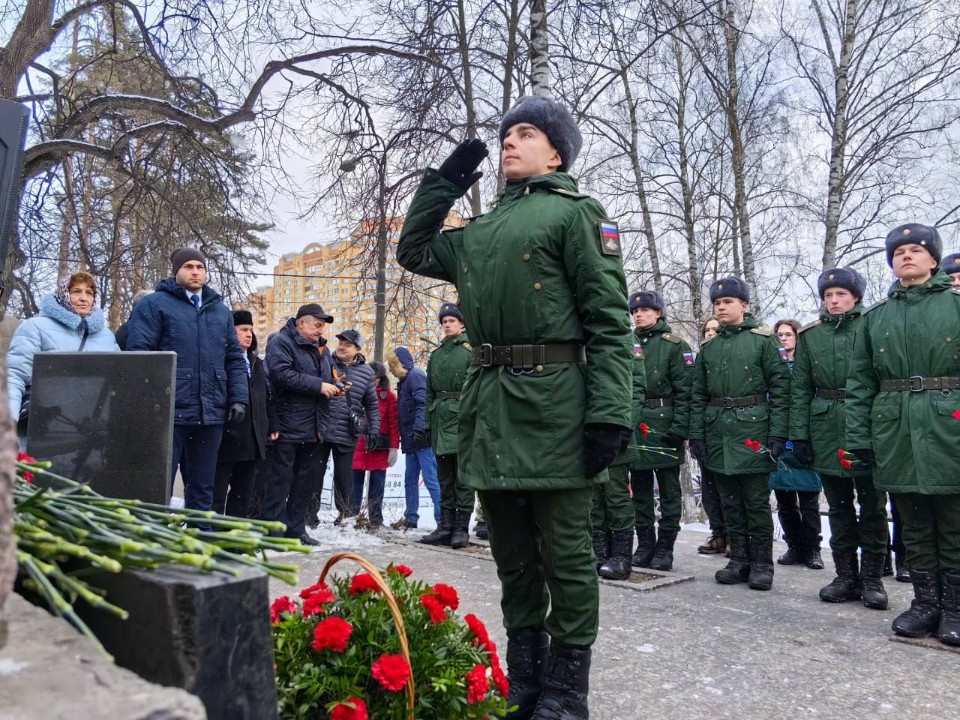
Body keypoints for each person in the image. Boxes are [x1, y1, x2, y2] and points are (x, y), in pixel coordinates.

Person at [397, 95, 632, 719]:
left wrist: (610, 412)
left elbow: (609, 324)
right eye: (506, 134)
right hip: (492, 407)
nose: (509, 142)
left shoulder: (576, 215)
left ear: (556, 152)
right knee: (513, 556)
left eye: (525, 134)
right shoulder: (480, 231)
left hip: (557, 404)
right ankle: (525, 680)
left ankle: (567, 690)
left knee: (567, 553)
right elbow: (414, 250)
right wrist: (445, 182)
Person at [846, 224, 960, 646]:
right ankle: (925, 604)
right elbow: (860, 384)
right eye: (899, 252)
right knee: (912, 520)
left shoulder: (956, 306)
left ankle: (955, 608)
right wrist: (859, 439)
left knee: (953, 521)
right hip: (894, 428)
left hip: (949, 425)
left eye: (916, 250)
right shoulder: (876, 318)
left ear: (934, 260)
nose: (907, 256)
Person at [789, 268, 889, 610]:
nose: (834, 301)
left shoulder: (872, 325)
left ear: (856, 297)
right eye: (828, 295)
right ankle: (846, 575)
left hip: (868, 424)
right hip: (825, 427)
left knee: (873, 506)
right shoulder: (810, 336)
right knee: (839, 507)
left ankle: (873, 577)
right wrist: (799, 435)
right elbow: (800, 388)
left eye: (841, 295)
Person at [126, 249, 248, 512]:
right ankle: (157, 542)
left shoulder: (221, 311)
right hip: (169, 413)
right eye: (188, 266)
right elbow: (140, 356)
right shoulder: (155, 304)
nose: (195, 272)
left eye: (200, 267)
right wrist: (151, 402)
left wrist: (238, 398)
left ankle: (199, 540)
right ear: (176, 271)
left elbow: (234, 359)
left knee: (203, 486)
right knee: (159, 485)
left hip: (210, 414)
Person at [689, 276, 790, 591]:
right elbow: (697, 394)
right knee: (730, 501)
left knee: (756, 501)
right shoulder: (710, 346)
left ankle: (762, 565)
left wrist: (778, 435)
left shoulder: (763, 341)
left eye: (728, 302)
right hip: (718, 431)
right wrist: (697, 437)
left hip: (753, 431)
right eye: (717, 303)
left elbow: (781, 390)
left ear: (744, 305)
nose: (721, 307)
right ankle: (739, 560)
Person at [261, 303, 341, 546]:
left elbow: (330, 376)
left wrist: (337, 386)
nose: (320, 331)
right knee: (280, 480)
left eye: (322, 326)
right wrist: (319, 386)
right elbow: (281, 374)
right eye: (317, 325)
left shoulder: (322, 350)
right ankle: (273, 532)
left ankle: (296, 530)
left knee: (304, 481)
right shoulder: (281, 342)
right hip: (287, 423)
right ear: (300, 323)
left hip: (314, 424)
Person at [7, 271, 119, 441]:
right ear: (63, 294)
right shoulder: (35, 327)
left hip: (89, 432)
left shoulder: (107, 337)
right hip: (42, 429)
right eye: (76, 291)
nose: (83, 298)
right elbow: (14, 376)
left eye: (89, 293)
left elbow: (118, 382)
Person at [627, 290, 692, 572]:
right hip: (636, 423)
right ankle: (644, 544)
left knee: (668, 491)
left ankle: (665, 547)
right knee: (639, 489)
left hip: (665, 424)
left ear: (658, 313)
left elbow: (685, 390)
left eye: (645, 310)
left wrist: (680, 428)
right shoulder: (627, 342)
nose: (638, 314)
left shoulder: (675, 346)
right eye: (634, 311)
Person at [592, 295, 646, 581]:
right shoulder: (585, 339)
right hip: (588, 431)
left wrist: (624, 425)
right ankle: (598, 552)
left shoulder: (625, 341)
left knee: (615, 496)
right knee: (592, 498)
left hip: (615, 430)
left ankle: (621, 556)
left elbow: (636, 390)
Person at [308, 329, 380, 526]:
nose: (341, 347)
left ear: (357, 349)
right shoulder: (325, 362)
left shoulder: (367, 372)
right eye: (340, 342)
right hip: (321, 428)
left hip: (347, 432)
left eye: (347, 344)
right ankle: (309, 516)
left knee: (344, 477)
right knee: (313, 475)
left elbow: (372, 405)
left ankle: (346, 517)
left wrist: (374, 431)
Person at [419, 303, 475, 548]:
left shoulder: (469, 350)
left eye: (452, 320)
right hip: (440, 420)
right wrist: (428, 423)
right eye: (444, 322)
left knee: (463, 477)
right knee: (444, 478)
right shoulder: (437, 354)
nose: (448, 325)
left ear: (462, 324)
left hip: (463, 419)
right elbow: (429, 392)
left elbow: (477, 388)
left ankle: (461, 529)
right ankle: (445, 526)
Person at [771, 318, 824, 570]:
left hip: (804, 441)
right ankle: (793, 545)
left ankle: (813, 548)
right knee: (784, 500)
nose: (783, 338)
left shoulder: (808, 366)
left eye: (788, 334)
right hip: (780, 442)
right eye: (779, 335)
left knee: (808, 501)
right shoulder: (773, 368)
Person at [213, 310, 277, 518]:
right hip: (225, 439)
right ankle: (211, 537)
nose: (249, 334)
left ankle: (234, 541)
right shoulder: (219, 360)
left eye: (250, 330)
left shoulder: (256, 363)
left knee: (242, 496)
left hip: (251, 441)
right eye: (243, 330)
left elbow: (265, 397)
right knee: (216, 495)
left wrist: (272, 424)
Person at [387, 347, 441, 530]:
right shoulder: (405, 380)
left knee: (431, 479)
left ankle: (442, 521)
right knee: (410, 479)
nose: (389, 370)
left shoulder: (415, 376)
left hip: (422, 438)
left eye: (391, 365)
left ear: (398, 364)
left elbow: (422, 403)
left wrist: (419, 428)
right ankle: (411, 517)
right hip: (412, 440)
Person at [352, 361, 399, 530]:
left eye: (377, 378)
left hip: (379, 446)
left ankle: (376, 519)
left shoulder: (389, 397)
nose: (373, 381)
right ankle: (353, 517)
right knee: (354, 484)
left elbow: (393, 424)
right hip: (358, 444)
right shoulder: (355, 392)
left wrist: (394, 447)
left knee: (377, 486)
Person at [695, 315, 728, 556]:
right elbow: (695, 398)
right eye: (707, 330)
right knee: (709, 490)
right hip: (707, 429)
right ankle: (718, 534)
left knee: (729, 490)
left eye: (716, 329)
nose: (711, 333)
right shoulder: (702, 358)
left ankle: (735, 537)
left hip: (730, 431)